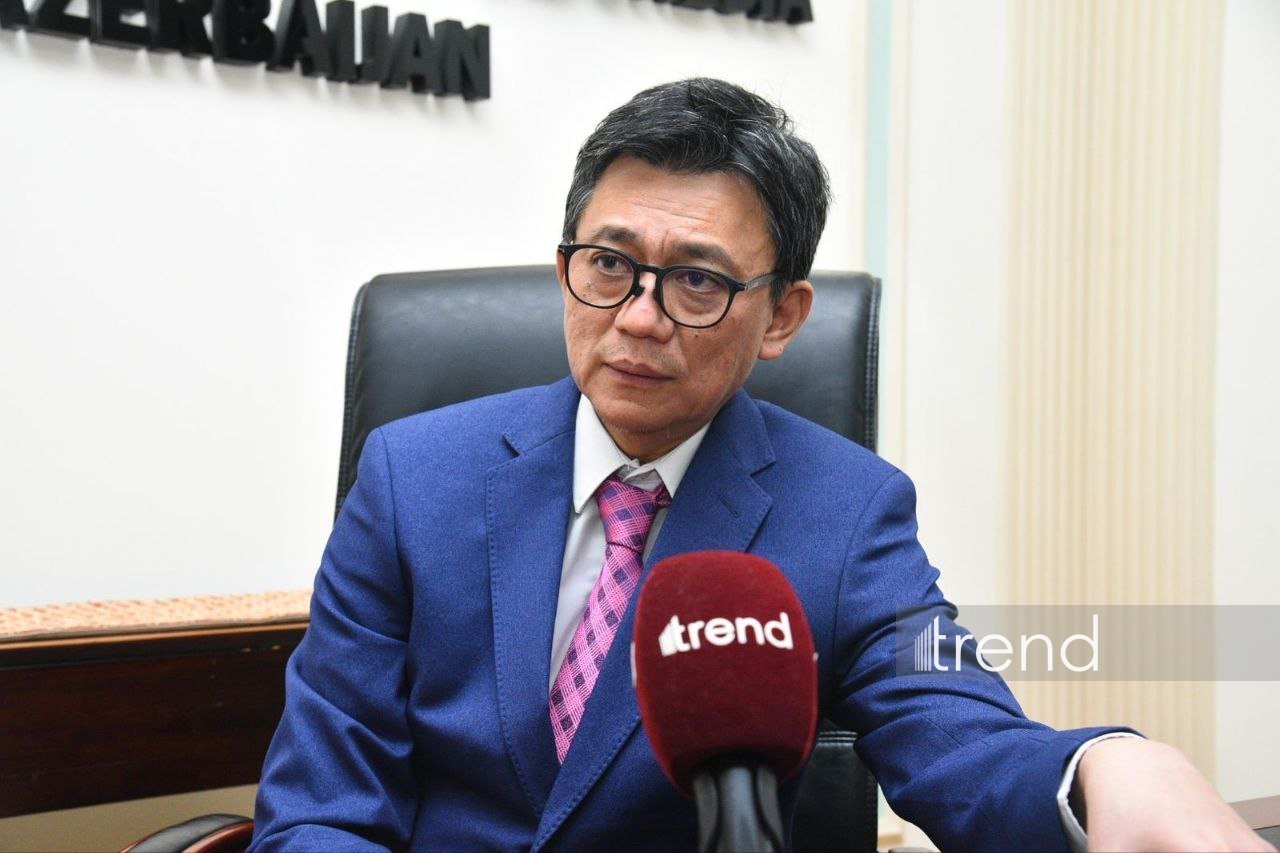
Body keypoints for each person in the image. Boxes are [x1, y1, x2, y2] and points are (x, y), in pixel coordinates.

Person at [249, 78, 1268, 851]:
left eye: (696, 281)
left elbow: (958, 734)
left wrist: (1100, 767)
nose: (638, 317)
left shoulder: (845, 512)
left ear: (780, 316)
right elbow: (323, 808)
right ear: (566, 266)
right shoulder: (412, 475)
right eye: (609, 264)